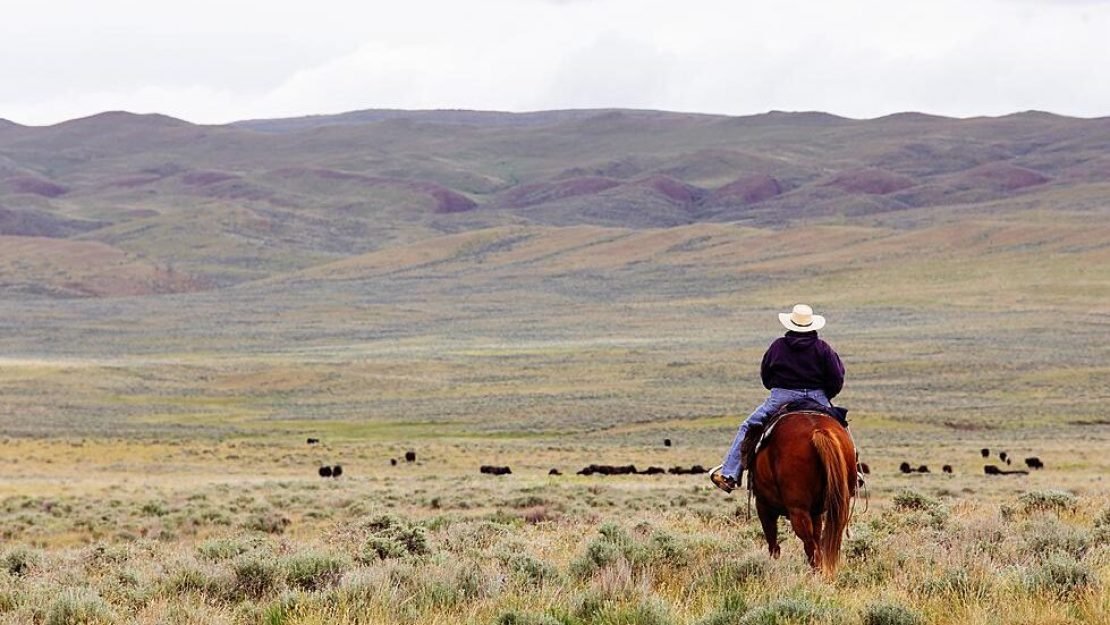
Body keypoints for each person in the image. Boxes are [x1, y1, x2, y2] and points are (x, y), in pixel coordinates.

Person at [710, 304, 845, 493]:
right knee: (841, 429)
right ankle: (853, 474)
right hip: (817, 397)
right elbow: (836, 377)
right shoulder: (823, 348)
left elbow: (766, 375)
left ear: (791, 324)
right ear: (813, 326)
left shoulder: (778, 346)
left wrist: (780, 389)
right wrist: (824, 396)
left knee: (748, 426)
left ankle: (729, 475)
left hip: (782, 396)